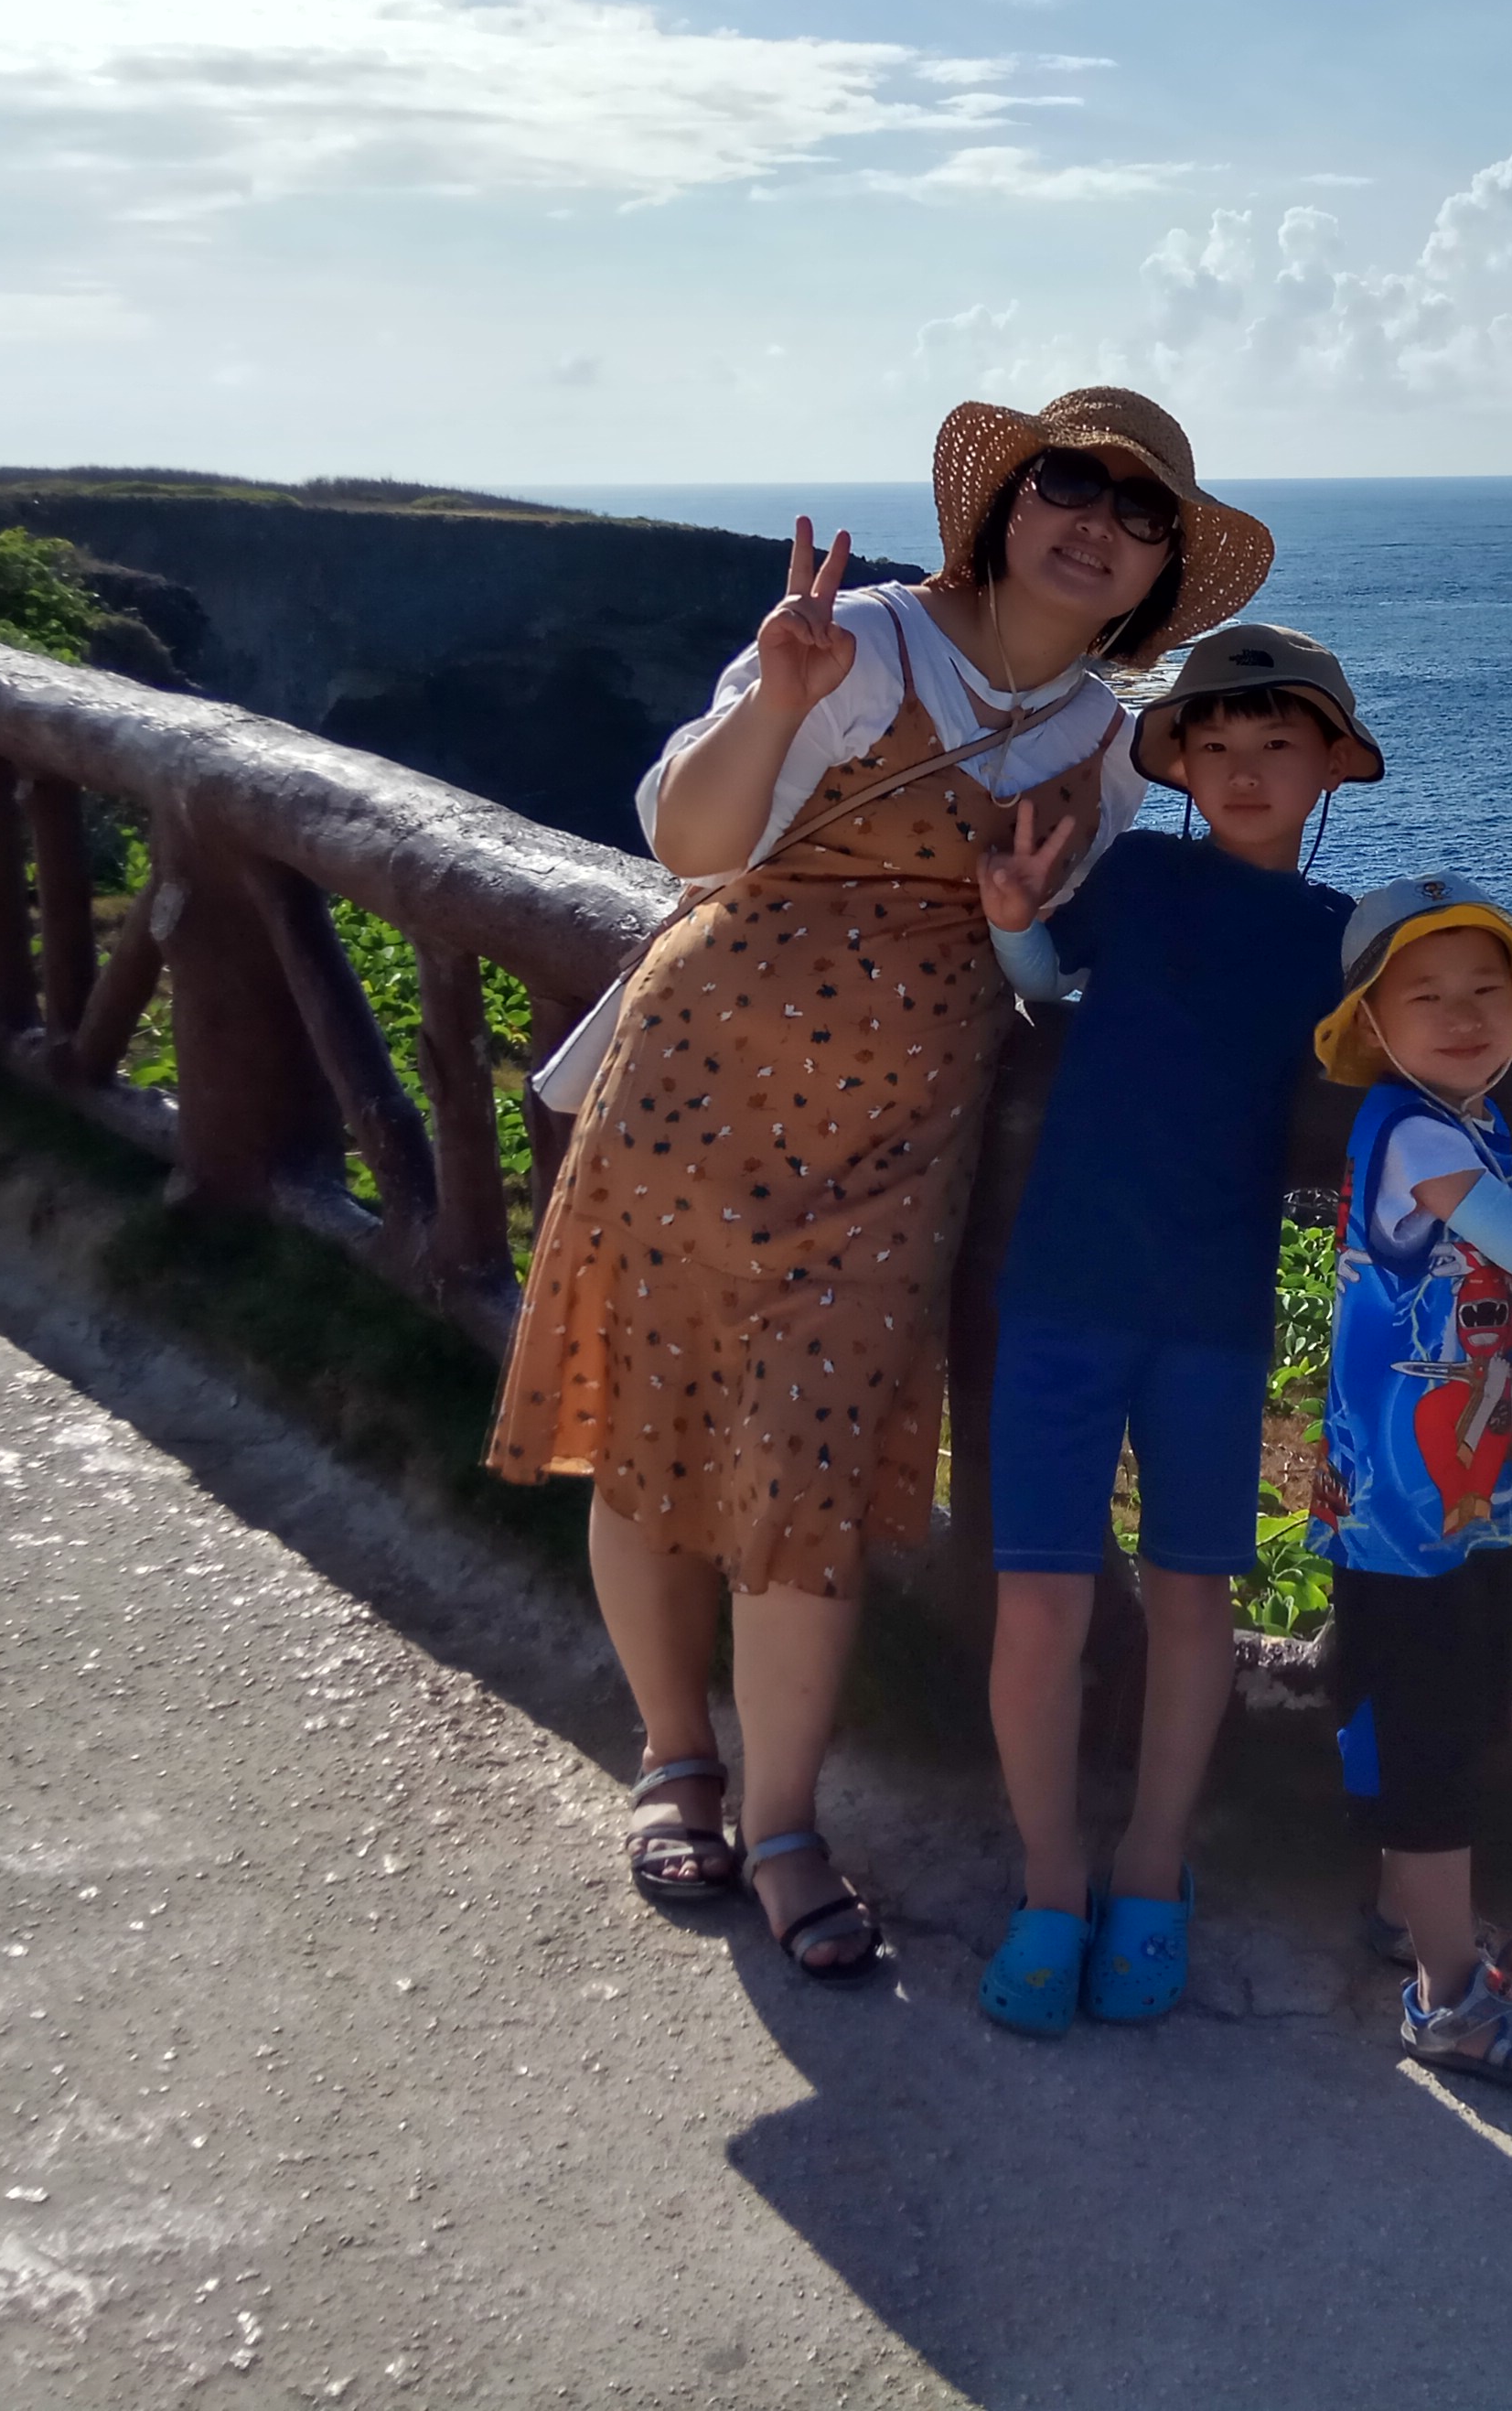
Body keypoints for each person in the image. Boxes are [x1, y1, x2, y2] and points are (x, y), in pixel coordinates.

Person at [484, 386, 1271, 1982]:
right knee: (649, 1433)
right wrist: (776, 701)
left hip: (897, 1144)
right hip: (696, 1085)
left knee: (814, 1470)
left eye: (1140, 516)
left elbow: (1055, 967)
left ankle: (783, 1823)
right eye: (1069, 484)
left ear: (1158, 575)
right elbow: (689, 843)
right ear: (1004, 502)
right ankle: (675, 1759)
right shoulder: (857, 642)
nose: (1096, 526)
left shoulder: (1109, 756)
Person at [966, 621, 1383, 2036]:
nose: (1245, 768)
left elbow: (1408, 1043)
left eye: (1277, 743)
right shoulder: (1138, 873)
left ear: (1331, 764)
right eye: (1217, 744)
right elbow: (1043, 979)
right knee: (1040, 1597)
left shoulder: (1343, 939)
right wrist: (1013, 913)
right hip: (1064, 1287)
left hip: (1212, 1306)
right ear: (1182, 767)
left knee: (1194, 1593)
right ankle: (1049, 1879)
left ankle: (1154, 1866)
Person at [1306, 874, 1512, 2086]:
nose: (1461, 1015)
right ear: (1372, 1024)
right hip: (1406, 1503)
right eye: (1425, 995)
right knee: (1430, 1727)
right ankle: (1446, 2000)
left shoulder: (1460, 1116)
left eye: (1485, 991)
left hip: (1446, 1488)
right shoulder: (1415, 1133)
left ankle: (1410, 1918)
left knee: (1422, 1705)